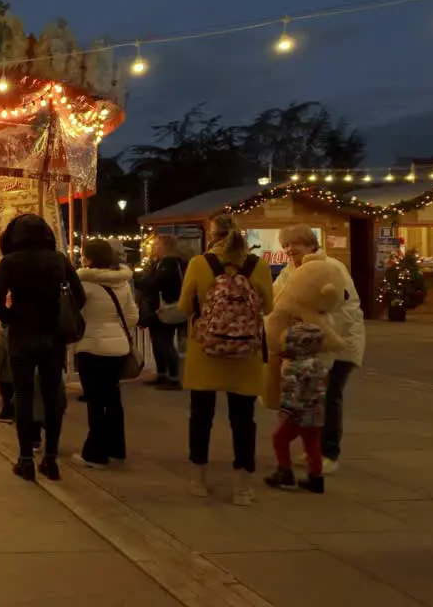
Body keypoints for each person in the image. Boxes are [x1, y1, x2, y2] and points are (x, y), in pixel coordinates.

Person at [178, 213, 273, 505]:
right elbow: (268, 306)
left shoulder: (199, 264)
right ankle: (243, 487)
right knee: (243, 420)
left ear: (212, 235)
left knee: (201, 417)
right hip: (245, 353)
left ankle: (198, 479)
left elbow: (184, 306)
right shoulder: (258, 266)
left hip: (205, 350)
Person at [0, 214, 84, 482]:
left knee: (23, 393)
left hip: (22, 334)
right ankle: (51, 459)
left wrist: (12, 318)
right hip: (52, 335)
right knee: (52, 394)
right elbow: (80, 297)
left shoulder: (10, 262)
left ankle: (26, 458)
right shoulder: (59, 261)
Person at [274, 225, 363, 476]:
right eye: (287, 245)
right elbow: (278, 299)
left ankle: (329, 452)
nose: (291, 249)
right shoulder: (290, 271)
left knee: (329, 397)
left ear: (311, 245)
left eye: (296, 244)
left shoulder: (331, 268)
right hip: (311, 348)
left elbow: (341, 309)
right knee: (311, 398)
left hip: (340, 344)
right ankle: (315, 450)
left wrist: (319, 334)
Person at [72, 239, 139, 469]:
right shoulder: (123, 283)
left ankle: (95, 453)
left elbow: (75, 316)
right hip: (118, 347)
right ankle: (117, 449)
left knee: (95, 401)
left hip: (92, 346)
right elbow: (132, 318)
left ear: (89, 258)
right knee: (112, 400)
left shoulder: (84, 285)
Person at [263, 322, 330, 494]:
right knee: (312, 443)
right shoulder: (320, 365)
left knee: (279, 438)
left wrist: (286, 410)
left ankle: (284, 471)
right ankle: (316, 478)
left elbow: (291, 392)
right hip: (317, 413)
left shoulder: (294, 367)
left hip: (298, 413)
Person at [137, 234, 188, 390]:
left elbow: (158, 283)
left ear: (165, 246)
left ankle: (173, 377)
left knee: (164, 343)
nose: (153, 247)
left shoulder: (169, 264)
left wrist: (145, 281)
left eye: (157, 244)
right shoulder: (166, 263)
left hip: (164, 308)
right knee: (158, 343)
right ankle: (162, 373)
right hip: (160, 308)